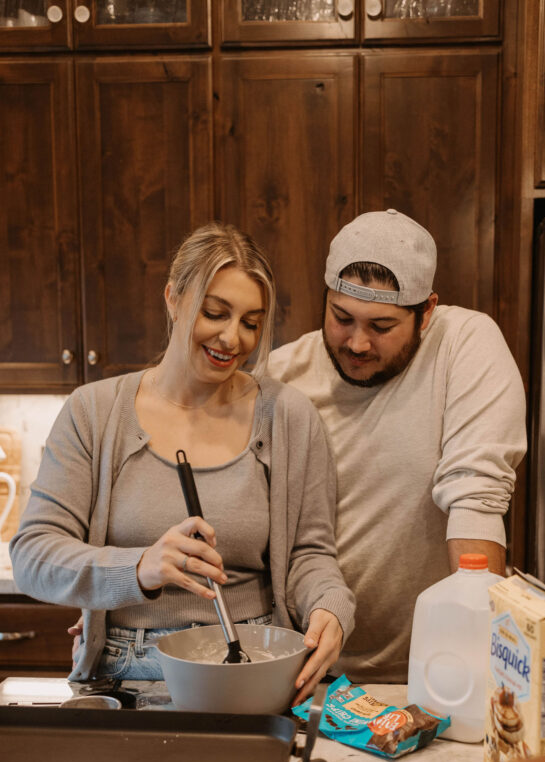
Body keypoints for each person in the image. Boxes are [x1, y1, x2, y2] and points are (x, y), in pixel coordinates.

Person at [10, 222, 355, 703]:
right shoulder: (93, 412)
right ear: (173, 298)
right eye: (215, 313)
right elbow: (32, 557)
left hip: (255, 661)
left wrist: (331, 607)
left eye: (251, 323)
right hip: (123, 668)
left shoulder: (290, 418)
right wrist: (139, 568)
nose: (232, 338)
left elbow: (310, 555)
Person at [268, 209, 526, 685]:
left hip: (437, 670)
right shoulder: (279, 378)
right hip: (302, 670)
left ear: (426, 312)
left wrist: (486, 671)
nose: (358, 343)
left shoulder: (462, 344)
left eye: (382, 326)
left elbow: (476, 497)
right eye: (342, 318)